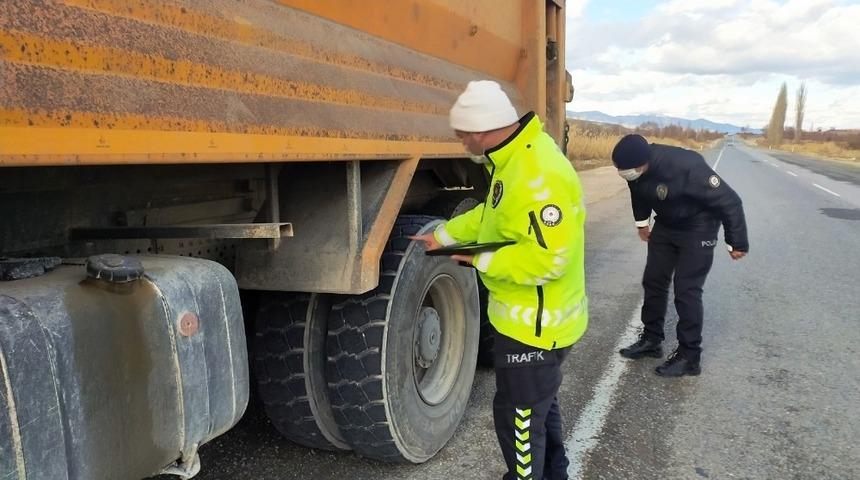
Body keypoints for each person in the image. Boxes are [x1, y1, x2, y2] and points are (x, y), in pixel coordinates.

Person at [411, 80, 587, 480]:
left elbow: (550, 260)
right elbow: (492, 217)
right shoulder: (513, 161)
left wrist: (479, 259)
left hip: (536, 328)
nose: (461, 144)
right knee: (539, 410)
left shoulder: (538, 175)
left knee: (519, 421)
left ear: (480, 130)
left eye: (461, 135)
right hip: (528, 321)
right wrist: (444, 235)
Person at [612, 134, 748, 377]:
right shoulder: (636, 170)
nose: (626, 174)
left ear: (645, 162)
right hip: (667, 224)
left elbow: (731, 201)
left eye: (629, 170)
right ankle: (651, 340)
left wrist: (736, 241)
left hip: (699, 226)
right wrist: (642, 223)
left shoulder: (687, 166)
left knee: (686, 290)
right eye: (621, 171)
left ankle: (689, 356)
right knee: (653, 280)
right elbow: (638, 192)